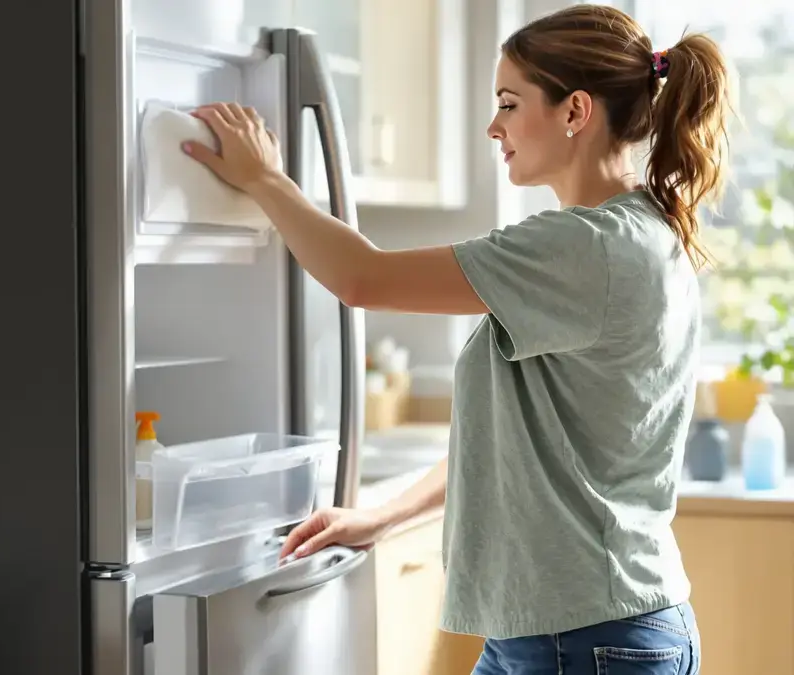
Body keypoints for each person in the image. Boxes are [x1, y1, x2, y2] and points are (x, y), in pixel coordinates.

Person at [181, 4, 732, 673]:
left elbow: (362, 277)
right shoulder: (637, 231)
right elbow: (510, 443)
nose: (493, 127)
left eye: (508, 102)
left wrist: (265, 178)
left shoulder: (585, 246)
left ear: (574, 111)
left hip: (584, 636)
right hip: (563, 626)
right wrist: (382, 515)